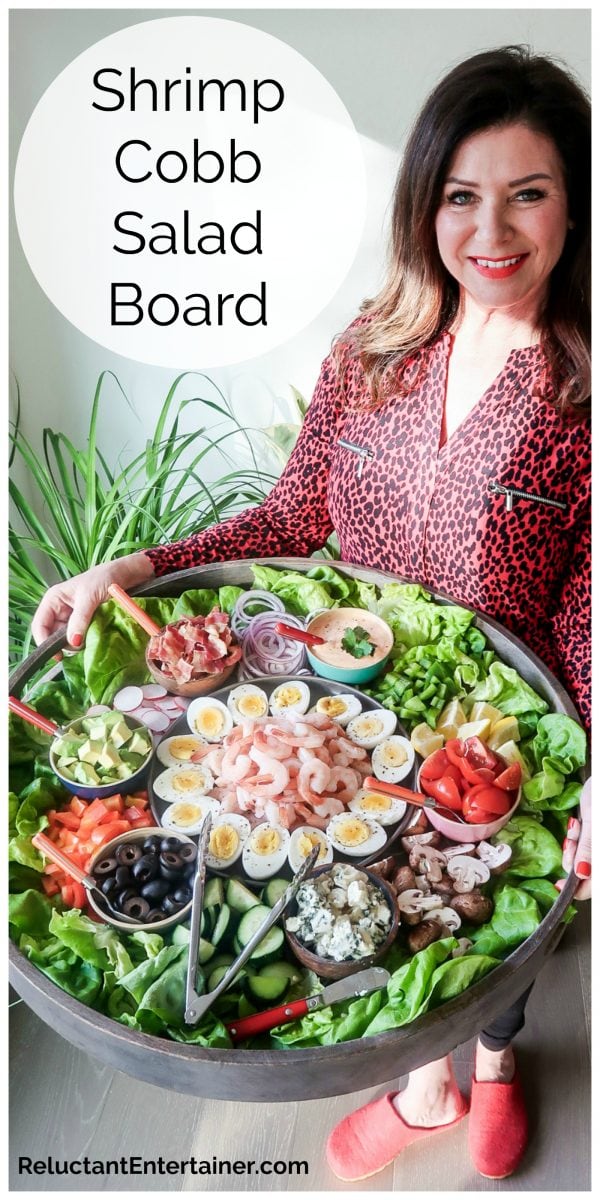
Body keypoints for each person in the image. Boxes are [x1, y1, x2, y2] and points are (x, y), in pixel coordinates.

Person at [32, 46, 590, 1180]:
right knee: (376, 912)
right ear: (423, 201)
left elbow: (589, 605)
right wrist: (132, 568)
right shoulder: (373, 349)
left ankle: (491, 1061)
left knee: (490, 913)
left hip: (490, 729)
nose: (493, 231)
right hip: (345, 706)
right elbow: (290, 516)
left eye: (529, 193)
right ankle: (424, 1081)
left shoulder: (584, 391)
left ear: (574, 202)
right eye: (460, 195)